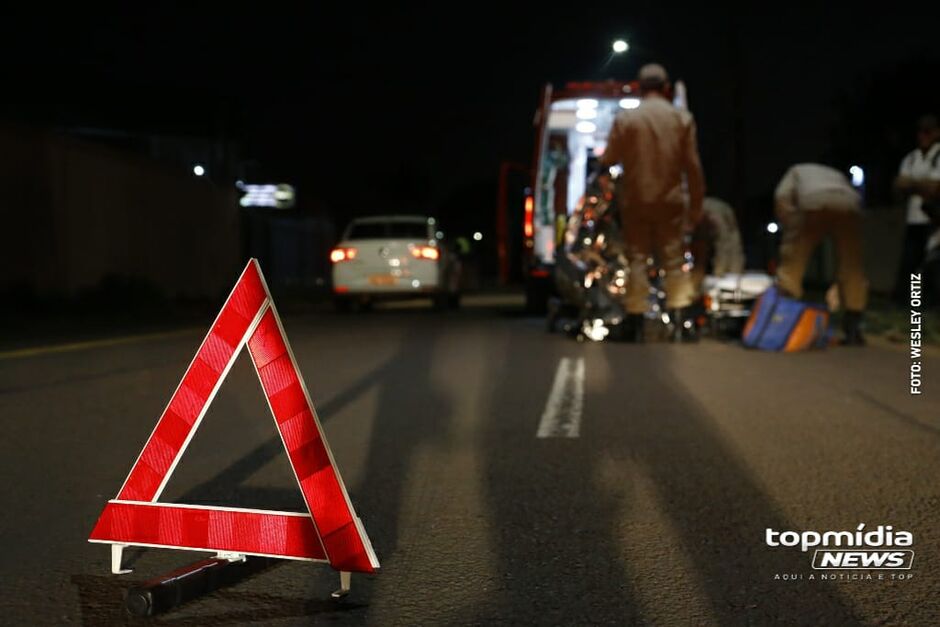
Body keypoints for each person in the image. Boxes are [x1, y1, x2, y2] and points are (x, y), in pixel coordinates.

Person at [599, 63, 706, 342]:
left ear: (639, 87)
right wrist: (696, 205)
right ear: (666, 88)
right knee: (672, 258)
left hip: (635, 199)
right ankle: (681, 322)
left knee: (637, 258)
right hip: (671, 200)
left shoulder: (627, 119)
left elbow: (608, 158)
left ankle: (634, 320)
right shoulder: (682, 118)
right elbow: (693, 167)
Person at [774, 163, 868, 345]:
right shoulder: (834, 173)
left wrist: (790, 225)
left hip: (813, 202)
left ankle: (786, 314)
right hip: (850, 203)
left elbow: (782, 198)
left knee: (794, 258)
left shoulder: (794, 171)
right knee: (852, 265)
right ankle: (853, 326)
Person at [894, 115, 940, 303]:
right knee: (911, 265)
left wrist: (911, 185)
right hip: (914, 219)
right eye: (920, 131)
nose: (923, 135)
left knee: (933, 264)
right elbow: (898, 185)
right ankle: (912, 303)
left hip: (935, 220)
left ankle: (932, 302)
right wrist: (922, 185)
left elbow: (936, 188)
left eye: (927, 131)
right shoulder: (911, 158)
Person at [689, 196, 746, 295]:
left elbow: (723, 244)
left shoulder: (713, 214)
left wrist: (719, 272)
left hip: (719, 216)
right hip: (709, 217)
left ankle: (728, 277)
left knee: (728, 244)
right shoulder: (697, 211)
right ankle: (723, 275)